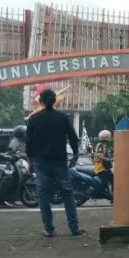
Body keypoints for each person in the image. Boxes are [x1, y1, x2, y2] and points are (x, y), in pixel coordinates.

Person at [26, 89, 85, 237]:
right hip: (60, 160)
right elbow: (73, 137)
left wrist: (30, 159)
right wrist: (75, 153)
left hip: (41, 162)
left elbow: (29, 142)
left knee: (43, 195)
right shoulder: (62, 118)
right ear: (54, 101)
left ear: (41, 101)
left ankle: (48, 229)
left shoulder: (34, 119)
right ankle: (74, 228)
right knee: (67, 193)